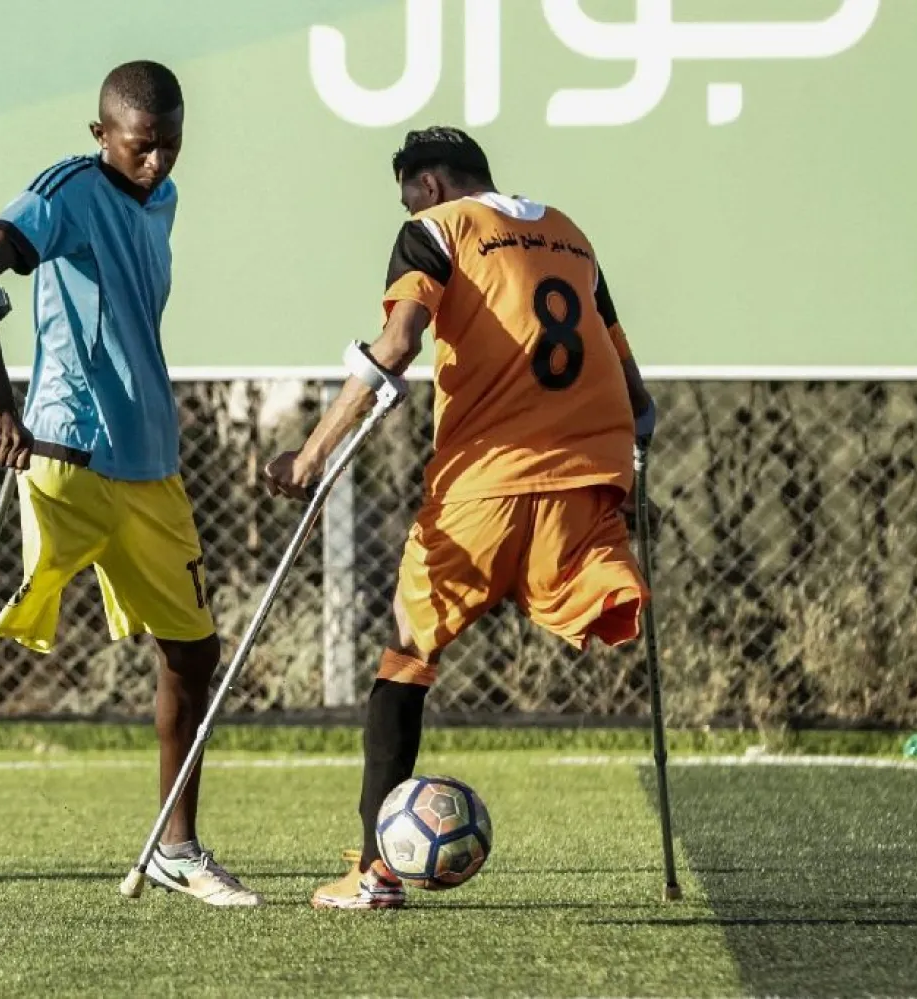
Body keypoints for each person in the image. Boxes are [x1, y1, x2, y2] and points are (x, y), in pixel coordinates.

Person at [263, 126, 658, 910]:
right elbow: (636, 395)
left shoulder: (432, 231)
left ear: (431, 184)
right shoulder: (570, 236)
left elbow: (397, 343)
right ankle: (610, 583)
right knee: (580, 589)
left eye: (406, 192)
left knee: (407, 653)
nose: (404, 207)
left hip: (485, 484)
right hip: (585, 485)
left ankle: (375, 874)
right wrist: (626, 467)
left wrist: (307, 457)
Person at [0, 60, 260, 907]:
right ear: (101, 135)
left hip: (151, 461)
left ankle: (177, 847)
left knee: (195, 653)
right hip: (65, 454)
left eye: (171, 146)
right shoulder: (67, 191)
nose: (157, 163)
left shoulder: (163, 201)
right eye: (141, 146)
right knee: (15, 624)